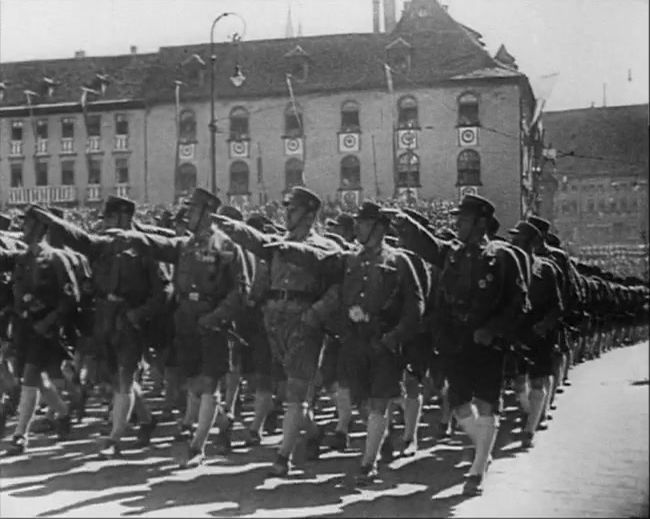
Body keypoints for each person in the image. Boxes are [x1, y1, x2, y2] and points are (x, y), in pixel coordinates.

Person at [263, 200, 425, 484]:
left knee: (378, 403)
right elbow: (319, 260)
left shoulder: (399, 261)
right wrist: (289, 249)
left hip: (384, 342)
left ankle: (368, 464)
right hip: (354, 342)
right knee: (361, 403)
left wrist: (395, 337)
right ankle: (380, 440)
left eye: (363, 223)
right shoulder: (350, 259)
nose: (358, 228)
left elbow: (416, 306)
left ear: (379, 228)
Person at [391, 194, 529, 496]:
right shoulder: (452, 253)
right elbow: (426, 245)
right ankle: (483, 446)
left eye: (463, 220)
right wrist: (405, 223)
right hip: (455, 340)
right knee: (459, 404)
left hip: (487, 343)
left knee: (487, 402)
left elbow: (519, 303)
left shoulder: (504, 256)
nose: (457, 226)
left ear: (481, 223)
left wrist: (493, 330)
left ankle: (478, 468)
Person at [213, 186, 341, 477]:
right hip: (274, 325)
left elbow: (337, 288)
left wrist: (315, 314)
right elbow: (262, 279)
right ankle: (315, 431)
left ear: (309, 214)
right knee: (285, 394)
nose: (287, 214)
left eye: (293, 209)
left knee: (296, 392)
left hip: (304, 325)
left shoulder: (324, 247)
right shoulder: (277, 245)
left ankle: (283, 456)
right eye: (287, 208)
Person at [124, 188, 250, 467]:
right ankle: (224, 419)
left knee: (208, 383)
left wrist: (216, 317)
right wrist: (131, 235)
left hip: (211, 321)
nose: (189, 215)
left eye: (193, 210)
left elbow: (241, 290)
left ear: (206, 212)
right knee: (192, 383)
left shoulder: (225, 246)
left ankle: (197, 448)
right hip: (187, 321)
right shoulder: (188, 244)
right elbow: (159, 245)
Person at [42, 196, 171, 458]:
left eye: (111, 218)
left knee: (125, 377)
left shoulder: (145, 247)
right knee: (113, 379)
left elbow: (163, 290)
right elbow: (83, 249)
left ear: (125, 217)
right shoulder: (103, 247)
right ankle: (146, 420)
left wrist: (139, 314)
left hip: (130, 320)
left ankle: (114, 438)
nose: (106, 224)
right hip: (104, 320)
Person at [0, 205, 80, 455]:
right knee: (38, 379)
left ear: (41, 228)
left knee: (31, 377)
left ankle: (20, 435)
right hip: (24, 327)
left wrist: (50, 321)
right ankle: (64, 413)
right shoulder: (23, 258)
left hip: (46, 329)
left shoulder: (56, 258)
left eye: (28, 223)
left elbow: (71, 297)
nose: (23, 227)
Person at [509, 221, 563, 448]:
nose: (514, 243)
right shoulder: (507, 266)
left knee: (538, 379)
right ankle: (530, 412)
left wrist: (544, 326)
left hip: (539, 333)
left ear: (531, 244)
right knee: (518, 381)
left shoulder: (547, 269)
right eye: (513, 239)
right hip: (515, 332)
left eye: (519, 239)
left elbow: (557, 306)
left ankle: (529, 430)